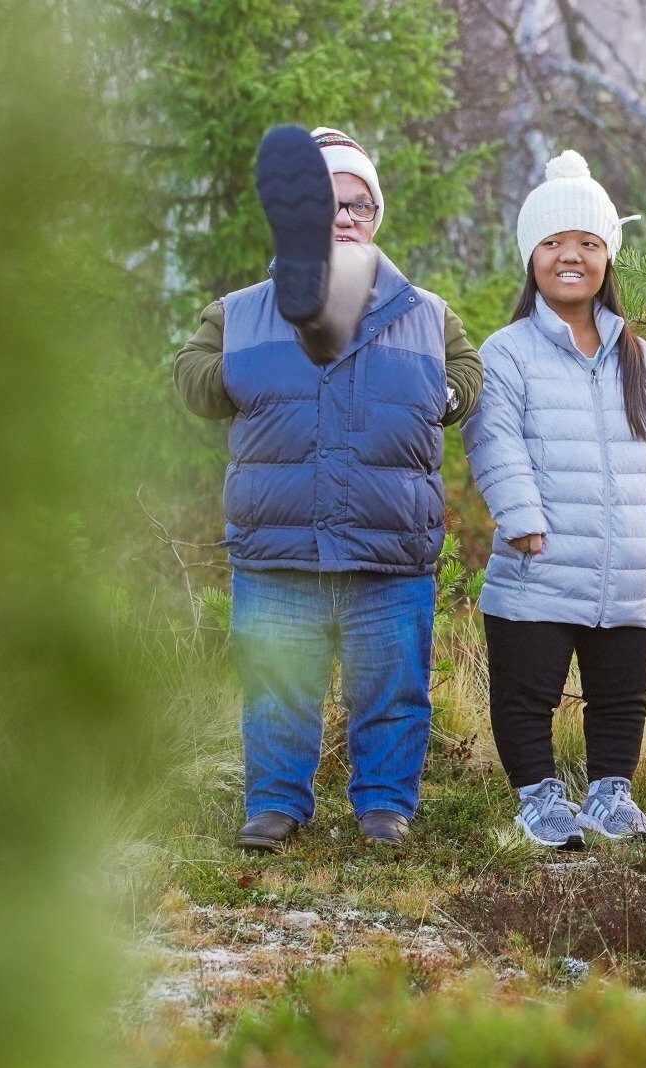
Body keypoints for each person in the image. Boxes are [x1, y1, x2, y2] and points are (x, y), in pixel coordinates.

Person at [173, 125, 482, 852]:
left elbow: (467, 374)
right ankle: (276, 805)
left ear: (377, 218)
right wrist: (238, 375)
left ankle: (384, 808)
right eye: (331, 204)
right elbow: (193, 376)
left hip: (390, 543)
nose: (346, 218)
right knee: (279, 690)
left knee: (393, 692)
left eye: (360, 206)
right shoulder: (242, 311)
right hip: (281, 541)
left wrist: (441, 395)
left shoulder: (425, 311)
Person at [463, 151, 646, 849]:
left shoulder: (638, 355)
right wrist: (521, 517)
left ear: (607, 257)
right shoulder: (506, 353)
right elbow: (492, 438)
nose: (572, 257)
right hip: (540, 561)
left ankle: (610, 795)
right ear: (532, 255)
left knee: (620, 694)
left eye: (588, 244)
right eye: (555, 243)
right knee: (526, 693)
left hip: (623, 564)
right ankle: (538, 799)